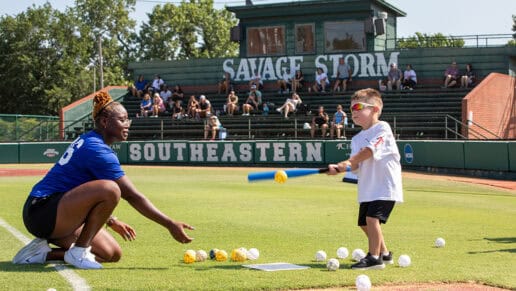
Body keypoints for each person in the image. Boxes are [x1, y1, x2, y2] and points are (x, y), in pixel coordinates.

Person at [12, 91, 194, 269]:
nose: (127, 124)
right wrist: (170, 224)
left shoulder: (91, 141)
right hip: (42, 211)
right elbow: (131, 196)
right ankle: (78, 252)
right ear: (105, 122)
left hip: (55, 211)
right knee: (112, 189)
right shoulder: (97, 149)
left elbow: (82, 190)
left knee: (111, 253)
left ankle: (40, 253)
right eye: (122, 120)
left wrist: (111, 221)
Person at [326, 88, 403, 270]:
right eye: (352, 108)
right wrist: (339, 168)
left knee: (372, 219)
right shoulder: (356, 138)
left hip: (384, 186)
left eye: (359, 107)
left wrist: (347, 162)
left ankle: (374, 258)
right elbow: (356, 164)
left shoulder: (382, 128)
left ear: (375, 109)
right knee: (364, 222)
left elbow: (368, 152)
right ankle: (384, 253)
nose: (354, 111)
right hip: (368, 188)